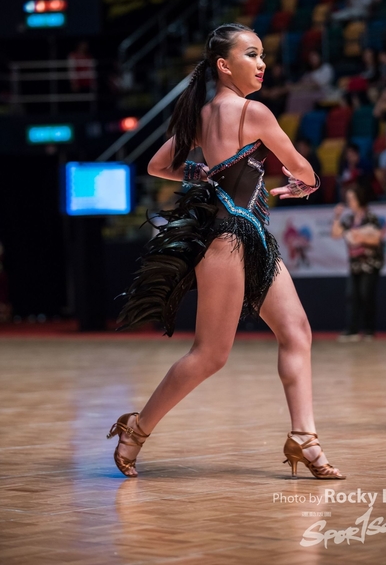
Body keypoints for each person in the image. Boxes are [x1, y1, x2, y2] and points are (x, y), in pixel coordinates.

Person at [107, 23, 345, 481]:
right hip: (227, 240)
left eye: (262, 55)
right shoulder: (253, 112)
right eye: (251, 54)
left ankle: (304, 438)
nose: (261, 63)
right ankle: (136, 427)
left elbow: (158, 165)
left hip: (247, 236)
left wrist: (200, 173)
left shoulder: (201, 115)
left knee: (296, 332)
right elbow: (301, 168)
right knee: (211, 354)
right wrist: (306, 183)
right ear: (224, 64)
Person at [331, 185, 384, 342]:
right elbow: (335, 234)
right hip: (355, 264)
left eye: (352, 198)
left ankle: (369, 330)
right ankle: (352, 330)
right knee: (352, 296)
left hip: (370, 263)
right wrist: (337, 216)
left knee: (366, 295)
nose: (350, 202)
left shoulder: (370, 217)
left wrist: (360, 237)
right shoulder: (349, 219)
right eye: (348, 199)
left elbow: (377, 239)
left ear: (360, 199)